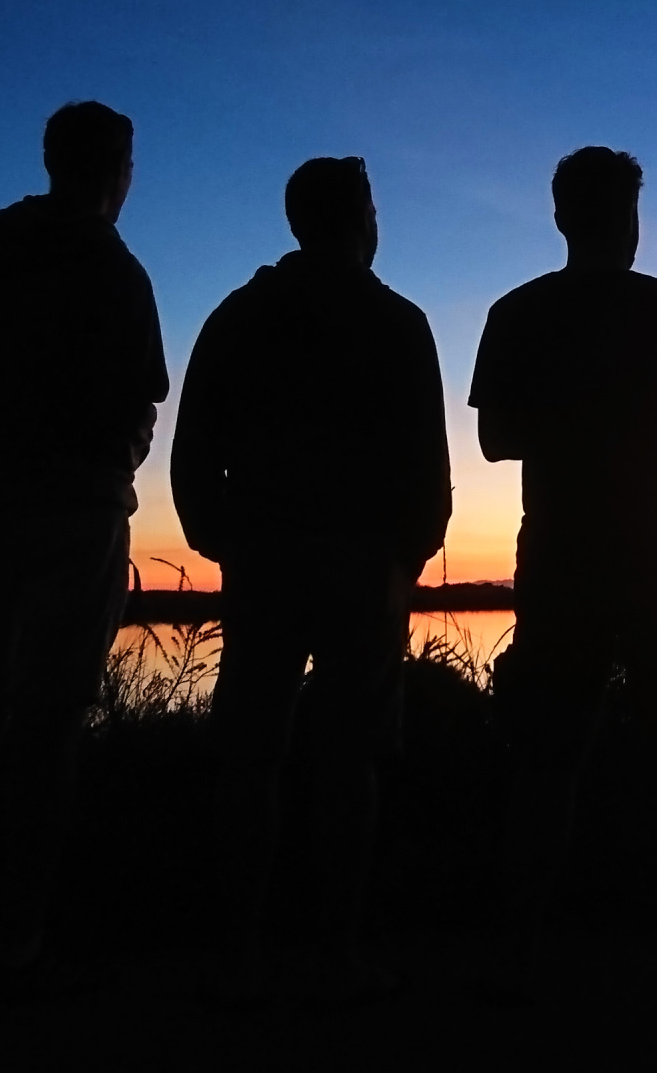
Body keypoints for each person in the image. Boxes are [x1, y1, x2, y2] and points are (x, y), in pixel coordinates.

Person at [469, 145, 657, 993]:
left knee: (547, 756)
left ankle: (517, 962)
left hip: (563, 549)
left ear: (562, 217)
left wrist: (575, 423)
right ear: (628, 218)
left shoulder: (518, 312)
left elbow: (496, 439)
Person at [0, 100, 167, 991]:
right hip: (76, 515)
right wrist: (103, 458)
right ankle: (20, 928)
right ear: (117, 168)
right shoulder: (113, 266)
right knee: (49, 721)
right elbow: (139, 400)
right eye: (127, 165)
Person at [171, 155, 450, 1000]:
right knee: (350, 760)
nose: (377, 223)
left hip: (269, 560)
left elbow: (191, 454)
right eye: (372, 207)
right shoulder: (397, 321)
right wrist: (405, 560)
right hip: (361, 569)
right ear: (357, 217)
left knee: (251, 757)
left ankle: (242, 954)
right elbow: (429, 468)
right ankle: (334, 950)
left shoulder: (240, 314)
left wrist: (224, 542)